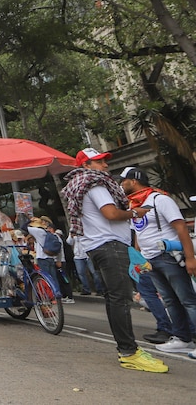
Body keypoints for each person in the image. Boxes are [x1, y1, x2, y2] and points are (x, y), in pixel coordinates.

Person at [62, 148, 167, 372]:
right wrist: (136, 213)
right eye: (99, 162)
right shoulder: (96, 184)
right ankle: (129, 352)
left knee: (114, 299)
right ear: (86, 166)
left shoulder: (81, 184)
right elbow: (111, 214)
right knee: (120, 299)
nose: (105, 165)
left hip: (99, 247)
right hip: (110, 246)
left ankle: (127, 350)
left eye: (104, 161)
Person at [120, 166, 196, 355]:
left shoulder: (159, 199)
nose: (121, 185)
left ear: (134, 181)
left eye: (123, 181)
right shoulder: (133, 205)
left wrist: (190, 258)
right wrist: (138, 257)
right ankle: (182, 338)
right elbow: (138, 232)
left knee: (188, 300)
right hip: (150, 259)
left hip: (169, 256)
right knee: (170, 300)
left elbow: (181, 228)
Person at [66, 231, 105, 296]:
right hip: (78, 256)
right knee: (81, 273)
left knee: (94, 272)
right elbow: (69, 242)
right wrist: (71, 236)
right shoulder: (73, 231)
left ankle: (99, 289)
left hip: (87, 255)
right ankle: (86, 289)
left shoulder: (86, 230)